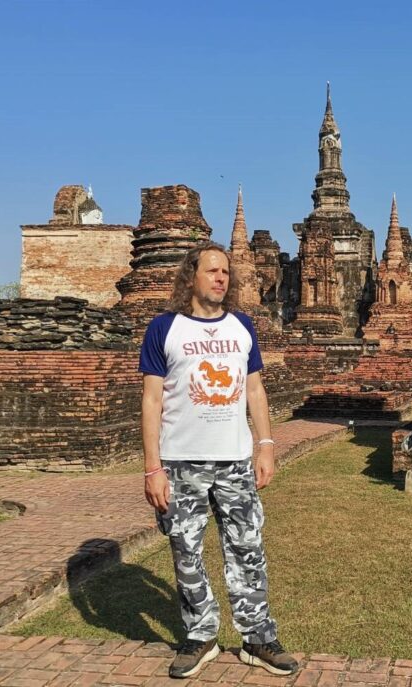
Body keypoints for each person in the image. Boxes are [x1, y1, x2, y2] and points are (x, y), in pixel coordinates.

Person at [139, 242, 297, 680]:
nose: (221, 278)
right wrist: (153, 467)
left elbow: (255, 389)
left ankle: (258, 637)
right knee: (186, 550)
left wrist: (266, 445)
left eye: (225, 272)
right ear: (191, 277)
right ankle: (200, 635)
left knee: (248, 548)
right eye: (211, 271)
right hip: (180, 460)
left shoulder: (242, 326)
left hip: (234, 460)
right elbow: (152, 400)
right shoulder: (164, 328)